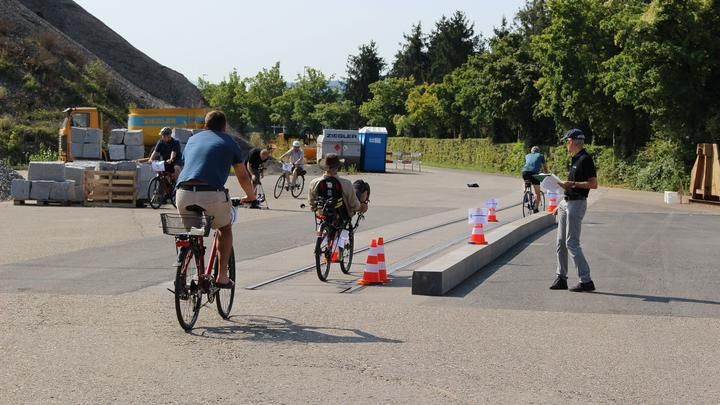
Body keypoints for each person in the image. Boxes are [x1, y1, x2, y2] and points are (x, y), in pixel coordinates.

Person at [175, 111, 256, 288]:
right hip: (212, 193)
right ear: (224, 126)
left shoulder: (193, 139)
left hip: (183, 192)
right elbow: (242, 175)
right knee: (224, 228)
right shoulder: (229, 142)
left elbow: (184, 166)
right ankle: (222, 276)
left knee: (194, 232)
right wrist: (251, 196)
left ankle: (189, 263)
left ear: (205, 125)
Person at [550, 128, 598, 292]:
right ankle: (561, 278)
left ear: (572, 141)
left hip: (577, 203)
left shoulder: (585, 159)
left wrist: (574, 185)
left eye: (566, 141)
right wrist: (560, 204)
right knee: (560, 242)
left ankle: (586, 281)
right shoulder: (575, 159)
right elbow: (570, 185)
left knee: (572, 242)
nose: (566, 144)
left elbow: (593, 184)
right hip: (567, 202)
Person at [308, 153, 368, 220]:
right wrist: (362, 207)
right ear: (337, 167)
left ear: (325, 167)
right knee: (361, 188)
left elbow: (312, 204)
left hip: (323, 216)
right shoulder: (346, 183)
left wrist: (318, 210)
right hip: (342, 218)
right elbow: (354, 205)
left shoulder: (314, 183)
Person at [521, 146, 548, 213]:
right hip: (534, 174)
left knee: (526, 182)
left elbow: (528, 164)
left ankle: (525, 193)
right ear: (538, 151)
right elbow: (545, 166)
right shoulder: (541, 155)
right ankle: (536, 209)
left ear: (531, 151)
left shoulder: (527, 155)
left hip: (524, 172)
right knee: (537, 193)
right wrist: (546, 173)